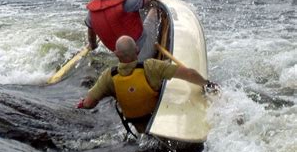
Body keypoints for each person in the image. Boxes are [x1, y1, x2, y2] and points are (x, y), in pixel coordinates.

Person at [76, 36, 219, 133]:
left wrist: (83, 103)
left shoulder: (109, 76)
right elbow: (188, 74)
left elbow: (89, 103)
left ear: (116, 54)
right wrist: (207, 84)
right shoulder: (151, 66)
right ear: (137, 50)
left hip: (138, 129)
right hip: (157, 122)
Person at [86, 0, 167, 61]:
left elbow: (91, 33)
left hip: (119, 56)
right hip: (140, 52)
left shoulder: (91, 13)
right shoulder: (127, 3)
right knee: (154, 9)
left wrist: (93, 45)